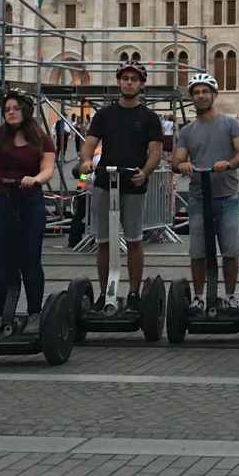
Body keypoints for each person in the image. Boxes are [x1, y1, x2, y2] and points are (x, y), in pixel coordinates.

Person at [77, 59, 163, 309]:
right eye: (125, 78)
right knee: (104, 240)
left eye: (134, 79)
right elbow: (90, 143)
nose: (129, 82)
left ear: (141, 84)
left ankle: (134, 292)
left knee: (134, 239)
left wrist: (145, 172)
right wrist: (85, 162)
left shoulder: (149, 117)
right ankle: (105, 293)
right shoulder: (104, 114)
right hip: (105, 181)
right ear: (119, 82)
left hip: (133, 182)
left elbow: (155, 151)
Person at [0, 90, 56, 328]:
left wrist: (36, 179)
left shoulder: (42, 138)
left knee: (30, 260)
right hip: (0, 202)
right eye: (7, 109)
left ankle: (34, 313)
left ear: (26, 111)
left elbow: (48, 168)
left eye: (15, 108)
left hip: (30, 203)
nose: (11, 112)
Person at [171, 74, 239, 313]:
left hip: (227, 196)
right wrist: (182, 165)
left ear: (214, 95)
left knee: (230, 251)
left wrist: (228, 164)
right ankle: (198, 296)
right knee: (197, 251)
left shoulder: (230, 124)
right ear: (192, 98)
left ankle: (229, 295)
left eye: (205, 91)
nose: (201, 96)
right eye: (196, 92)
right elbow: (177, 159)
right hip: (198, 197)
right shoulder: (187, 130)